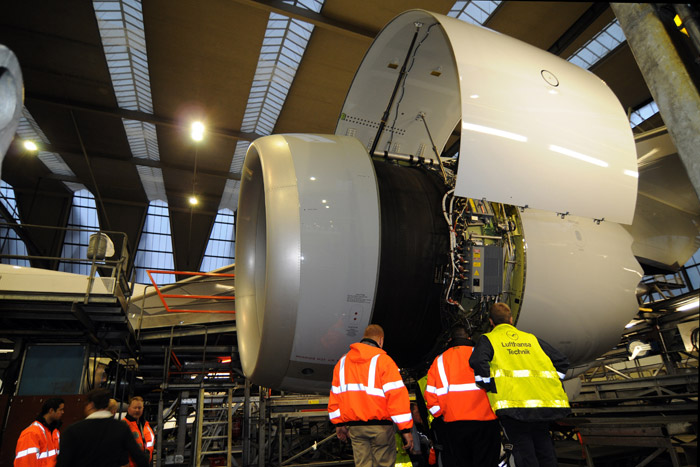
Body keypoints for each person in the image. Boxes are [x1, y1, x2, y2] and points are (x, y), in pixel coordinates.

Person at [470, 303, 571, 467]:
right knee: (545, 450)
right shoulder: (531, 338)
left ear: (491, 321)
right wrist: (552, 382)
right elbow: (562, 361)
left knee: (525, 453)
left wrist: (488, 384)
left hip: (513, 408)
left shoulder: (488, 339)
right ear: (511, 319)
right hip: (542, 404)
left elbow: (477, 361)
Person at [328, 324, 414, 467]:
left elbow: (335, 396)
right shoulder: (384, 361)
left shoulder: (342, 363)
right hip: (381, 428)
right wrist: (405, 429)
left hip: (355, 428)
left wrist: (339, 423)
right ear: (380, 340)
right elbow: (397, 397)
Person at [426, 325, 500, 467]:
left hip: (454, 426)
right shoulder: (482, 355)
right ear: (469, 338)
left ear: (450, 340)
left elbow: (430, 397)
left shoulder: (439, 360)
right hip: (486, 423)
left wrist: (441, 416)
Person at [55, 388, 148, 467]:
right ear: (107, 405)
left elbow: (63, 463)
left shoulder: (72, 431)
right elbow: (140, 458)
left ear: (90, 405)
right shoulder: (121, 428)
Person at [14, 398, 64, 466]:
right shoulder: (31, 433)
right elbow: (25, 462)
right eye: (60, 409)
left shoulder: (55, 432)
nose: (63, 412)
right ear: (51, 410)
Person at [124, 396, 155, 467]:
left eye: (139, 408)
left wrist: (147, 453)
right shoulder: (124, 425)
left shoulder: (146, 425)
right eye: (135, 408)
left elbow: (150, 442)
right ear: (128, 409)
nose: (137, 410)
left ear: (143, 409)